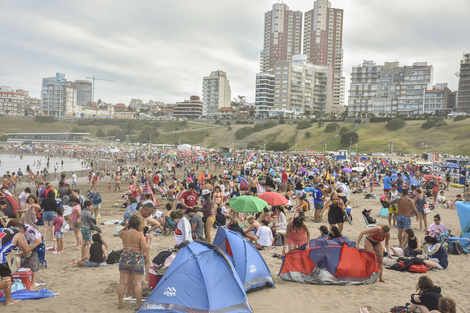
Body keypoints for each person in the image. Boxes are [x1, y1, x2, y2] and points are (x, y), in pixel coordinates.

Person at [0, 222, 38, 306]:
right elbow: (27, 249)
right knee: (6, 277)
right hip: (0, 256)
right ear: (22, 230)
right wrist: (36, 243)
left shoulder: (2, 229)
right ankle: (8, 300)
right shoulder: (19, 234)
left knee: (5, 273)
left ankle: (8, 299)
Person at [117, 215, 148, 309]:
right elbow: (145, 248)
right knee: (137, 283)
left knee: (122, 282)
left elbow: (119, 233)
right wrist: (149, 239)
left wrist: (126, 226)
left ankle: (120, 304)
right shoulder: (139, 234)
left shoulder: (124, 234)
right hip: (136, 259)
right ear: (138, 224)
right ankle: (139, 305)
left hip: (125, 257)